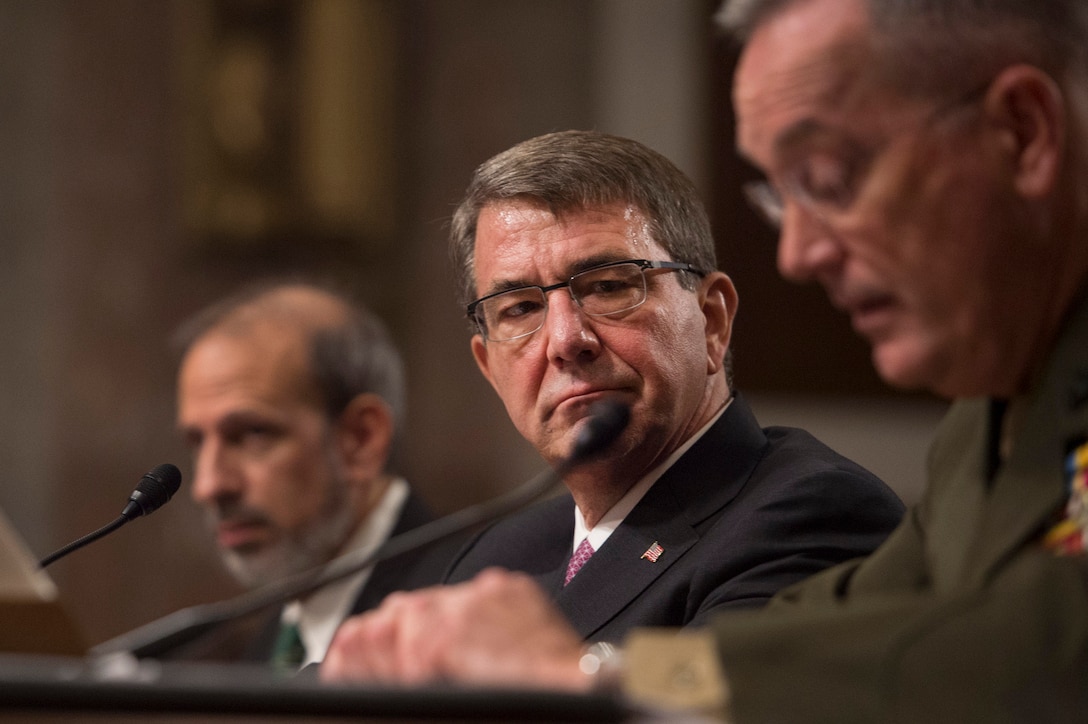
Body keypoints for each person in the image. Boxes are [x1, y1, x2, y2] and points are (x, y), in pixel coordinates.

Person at [321, 1, 1088, 721]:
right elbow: (819, 649)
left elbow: (1030, 654)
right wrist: (612, 677)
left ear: (1022, 133)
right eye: (780, 200)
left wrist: (581, 678)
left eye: (830, 179)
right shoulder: (980, 430)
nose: (798, 253)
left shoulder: (810, 509)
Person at [326, 129, 902, 651]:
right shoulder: (501, 556)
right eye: (521, 307)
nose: (564, 340)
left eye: (606, 287)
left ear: (713, 319)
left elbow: (717, 697)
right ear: (487, 366)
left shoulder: (811, 514)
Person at [173, 282, 458, 669]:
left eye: (252, 434)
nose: (209, 485)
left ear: (361, 439)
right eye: (197, 442)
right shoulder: (264, 643)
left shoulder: (457, 607)